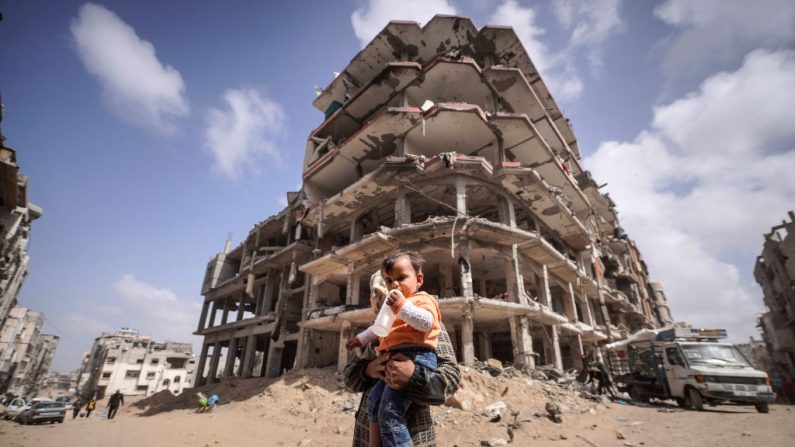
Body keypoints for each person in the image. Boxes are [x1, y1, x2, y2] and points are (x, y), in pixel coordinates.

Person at [345, 258, 457, 447]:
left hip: (414, 437)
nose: (380, 298)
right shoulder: (375, 332)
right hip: (365, 436)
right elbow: (349, 379)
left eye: (382, 293)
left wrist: (414, 376)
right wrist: (369, 370)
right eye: (376, 294)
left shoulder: (424, 325)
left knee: (390, 412)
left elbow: (451, 379)